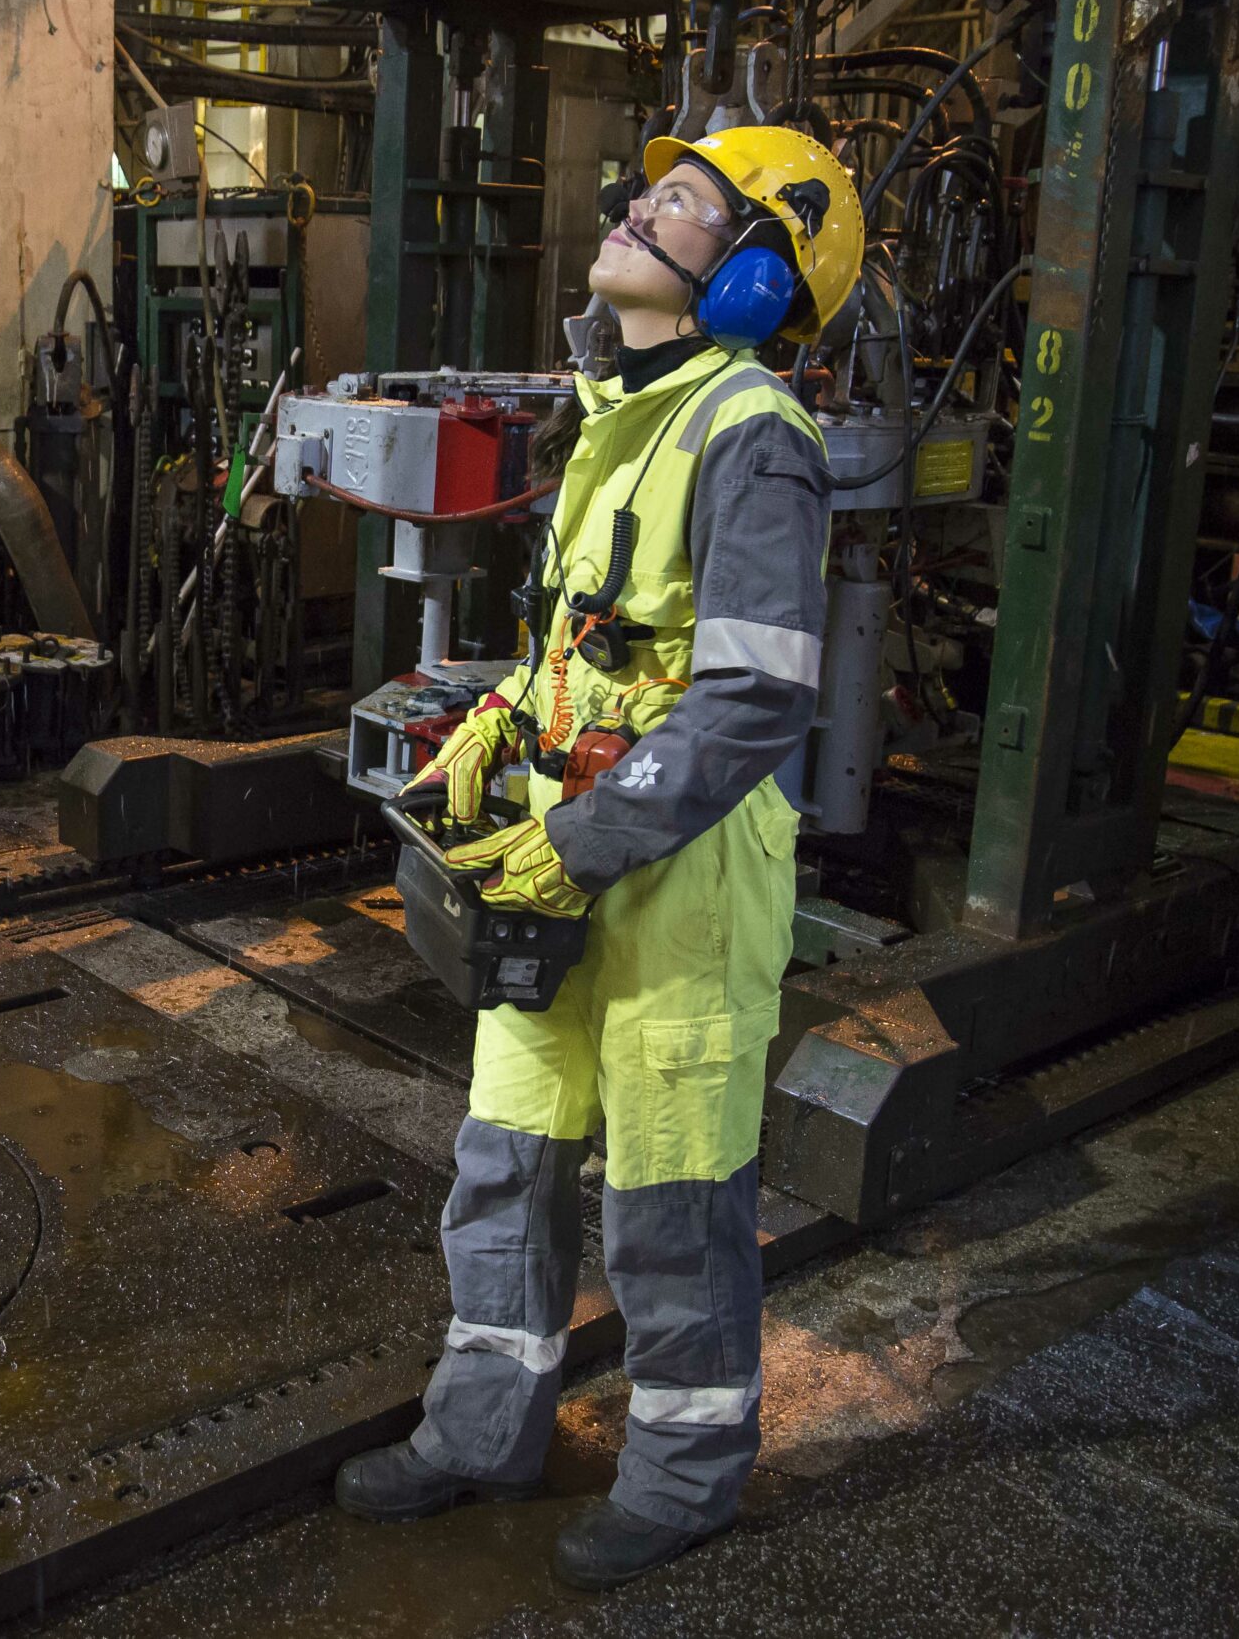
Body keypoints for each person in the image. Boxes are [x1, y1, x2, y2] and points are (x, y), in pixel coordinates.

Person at [333, 126, 865, 1591]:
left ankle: (687, 1473)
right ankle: (483, 1430)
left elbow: (754, 693)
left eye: (684, 202)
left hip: (680, 882)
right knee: (503, 1168)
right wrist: (498, 716)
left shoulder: (754, 429)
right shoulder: (619, 407)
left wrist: (577, 841)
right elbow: (589, 638)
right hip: (563, 849)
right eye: (650, 187)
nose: (638, 205)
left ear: (755, 279)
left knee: (672, 1201)